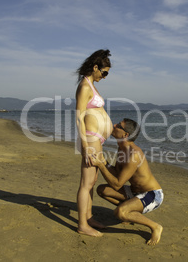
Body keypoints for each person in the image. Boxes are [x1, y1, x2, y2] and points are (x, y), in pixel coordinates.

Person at [90, 118, 164, 245]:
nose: (114, 125)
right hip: (134, 192)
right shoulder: (122, 149)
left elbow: (117, 184)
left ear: (125, 135)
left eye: (118, 125)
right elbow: (116, 174)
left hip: (152, 195)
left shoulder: (133, 154)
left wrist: (101, 165)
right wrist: (103, 161)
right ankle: (131, 211)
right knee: (101, 190)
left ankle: (155, 226)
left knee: (120, 212)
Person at [75, 49, 113, 237]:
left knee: (93, 181)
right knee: (86, 183)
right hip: (90, 139)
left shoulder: (92, 85)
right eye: (104, 72)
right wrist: (84, 145)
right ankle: (82, 225)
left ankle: (89, 218)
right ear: (95, 67)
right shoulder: (84, 87)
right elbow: (79, 117)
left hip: (96, 138)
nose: (105, 77)